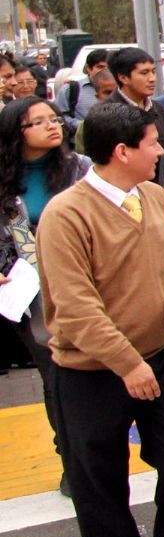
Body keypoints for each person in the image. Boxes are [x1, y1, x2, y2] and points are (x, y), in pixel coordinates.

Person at [38, 101, 164, 537]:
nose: (162, 149)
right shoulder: (66, 215)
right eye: (153, 142)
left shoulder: (155, 197)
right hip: (91, 373)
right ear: (122, 151)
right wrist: (126, 364)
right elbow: (75, 306)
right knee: (99, 478)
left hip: (160, 355)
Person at [0, 95, 92, 493]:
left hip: (85, 282)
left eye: (54, 119)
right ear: (15, 133)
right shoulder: (5, 181)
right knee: (56, 373)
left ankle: (92, 452)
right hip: (29, 291)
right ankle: (71, 457)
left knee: (92, 372)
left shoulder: (79, 170)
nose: (53, 126)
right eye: (39, 122)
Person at [109, 48, 164, 140]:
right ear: (123, 78)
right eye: (144, 73)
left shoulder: (159, 109)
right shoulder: (106, 115)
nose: (152, 79)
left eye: (153, 72)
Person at [62, 50, 112, 123]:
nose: (105, 71)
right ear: (89, 68)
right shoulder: (71, 89)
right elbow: (60, 115)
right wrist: (81, 125)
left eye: (108, 68)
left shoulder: (120, 88)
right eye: (100, 67)